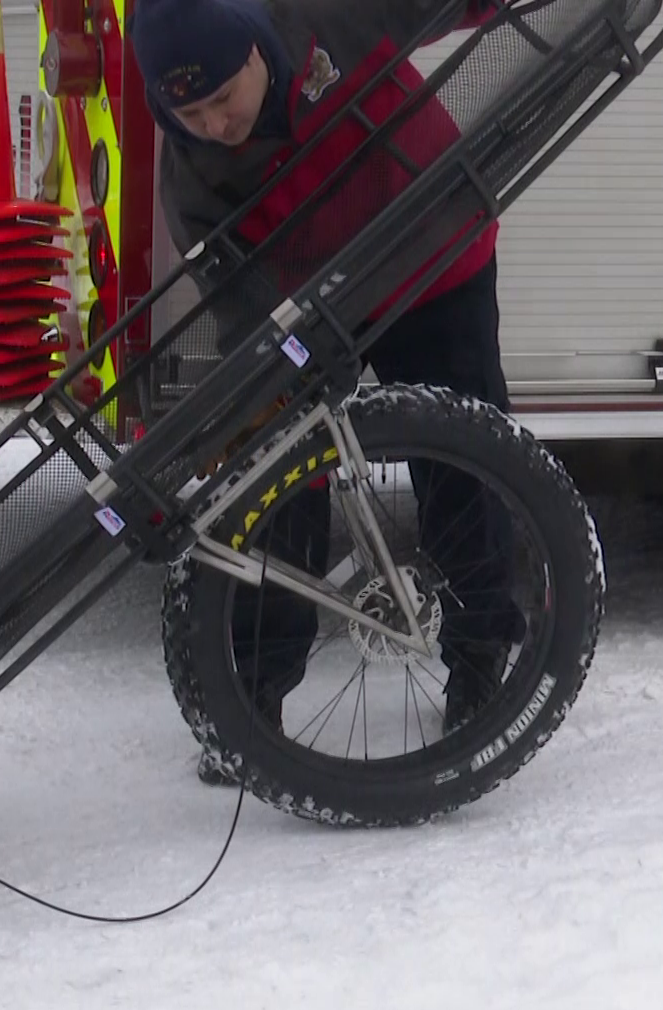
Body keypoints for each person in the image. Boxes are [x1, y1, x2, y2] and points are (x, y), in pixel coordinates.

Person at [128, 0, 524, 783]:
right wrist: (278, 370)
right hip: (314, 306)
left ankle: (482, 657)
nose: (213, 122)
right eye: (188, 111)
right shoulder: (193, 175)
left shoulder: (330, 12)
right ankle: (257, 693)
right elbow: (234, 288)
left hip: (434, 258)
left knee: (465, 467)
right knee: (278, 483)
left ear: (254, 48)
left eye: (222, 97)